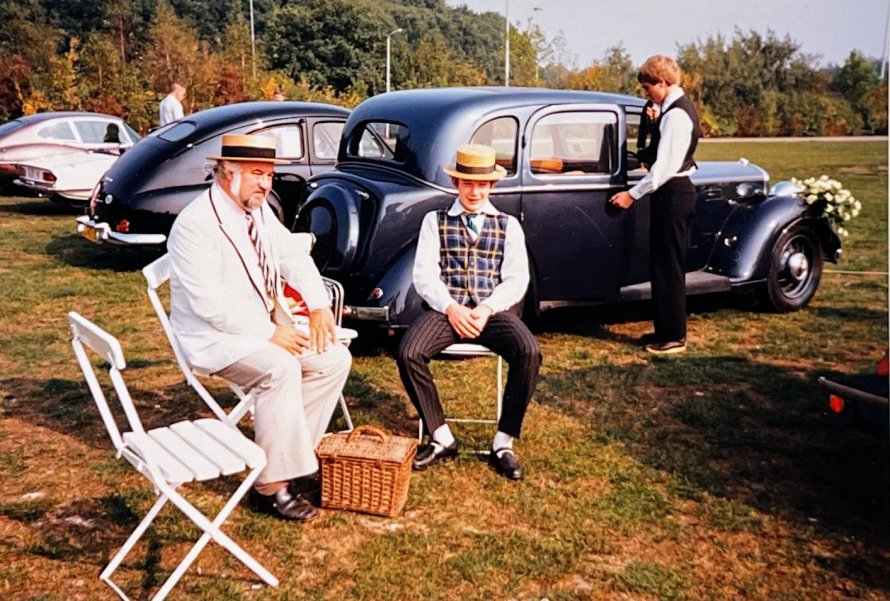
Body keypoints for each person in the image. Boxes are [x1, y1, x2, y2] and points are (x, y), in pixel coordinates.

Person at [167, 133, 351, 521]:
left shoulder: (258, 209)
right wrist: (269, 333)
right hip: (213, 338)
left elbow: (290, 257)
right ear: (226, 173)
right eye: (256, 174)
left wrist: (318, 306)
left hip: (262, 325)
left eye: (268, 174)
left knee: (334, 358)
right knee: (280, 368)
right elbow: (207, 305)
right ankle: (271, 484)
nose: (266, 184)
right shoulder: (195, 225)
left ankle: (285, 456)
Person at [396, 144, 542, 481]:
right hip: (447, 309)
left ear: (491, 186)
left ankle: (503, 442)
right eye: (466, 184)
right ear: (456, 184)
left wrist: (488, 308)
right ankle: (441, 437)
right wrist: (450, 307)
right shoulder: (434, 221)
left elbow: (517, 279)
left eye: (481, 185)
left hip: (493, 313)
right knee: (409, 352)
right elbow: (424, 275)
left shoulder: (508, 225)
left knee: (529, 351)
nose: (474, 192)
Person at [609, 55, 701, 355]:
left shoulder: (676, 116)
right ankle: (665, 329)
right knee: (662, 263)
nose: (647, 94)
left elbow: (663, 168)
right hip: (670, 192)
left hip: (673, 192)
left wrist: (631, 194)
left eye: (649, 88)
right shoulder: (670, 111)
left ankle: (674, 335)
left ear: (662, 82)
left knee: (669, 265)